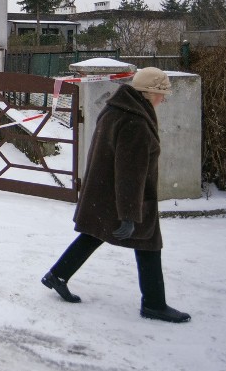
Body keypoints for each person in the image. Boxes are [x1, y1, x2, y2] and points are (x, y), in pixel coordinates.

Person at [41, 67, 191, 323]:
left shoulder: (116, 109)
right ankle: (154, 304)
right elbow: (130, 172)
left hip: (104, 190)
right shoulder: (136, 122)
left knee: (94, 232)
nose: (163, 98)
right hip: (126, 196)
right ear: (147, 92)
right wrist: (130, 213)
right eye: (160, 93)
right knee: (148, 244)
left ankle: (58, 275)